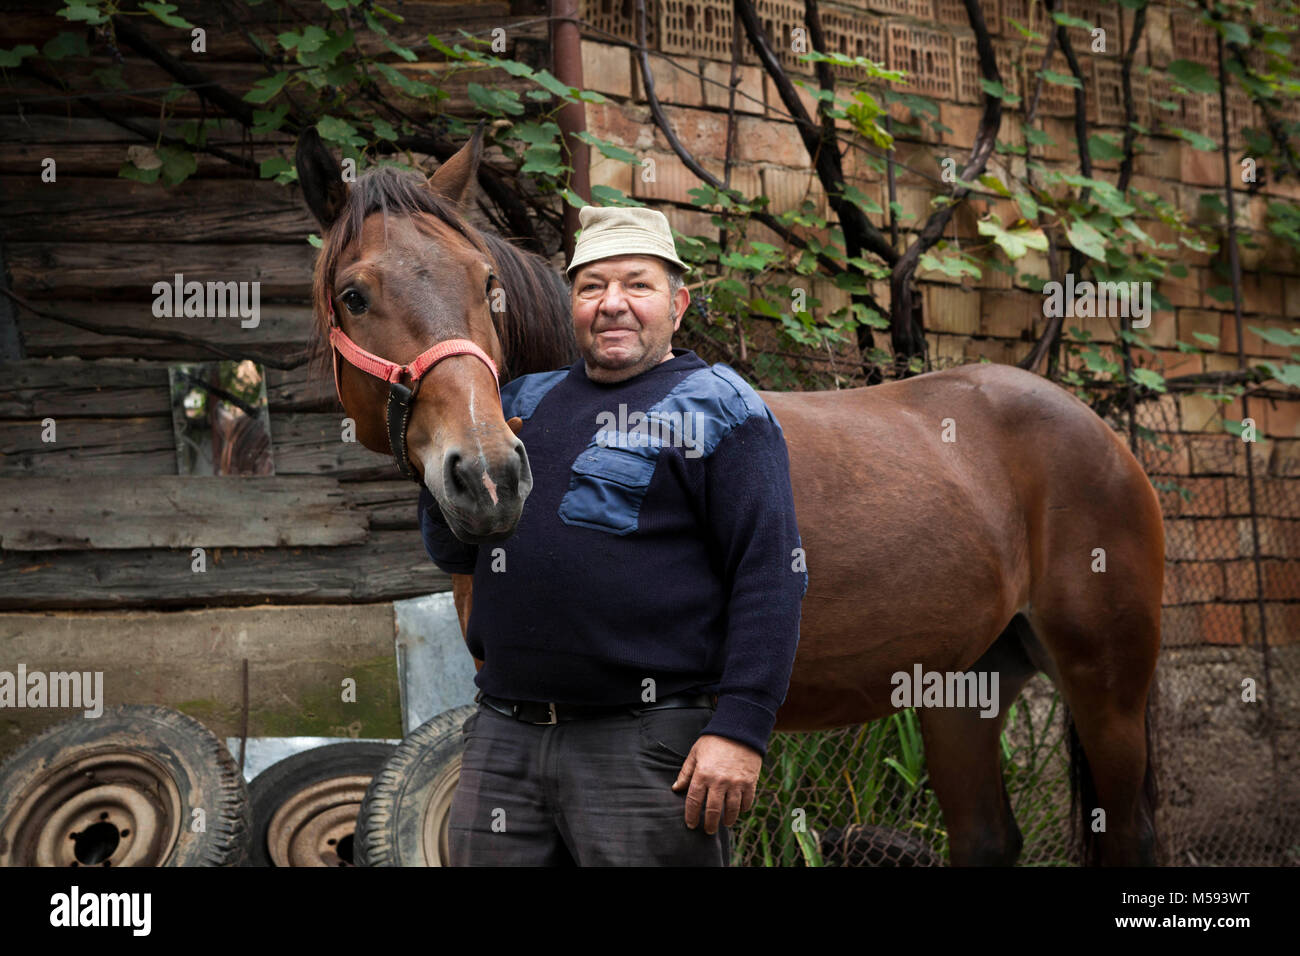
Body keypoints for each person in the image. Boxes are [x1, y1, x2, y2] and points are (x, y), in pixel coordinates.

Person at [418, 204, 806, 865]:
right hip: (503, 737)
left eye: (637, 285)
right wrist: (435, 453)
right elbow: (456, 550)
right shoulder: (525, 402)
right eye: (592, 287)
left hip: (643, 742)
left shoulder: (722, 407)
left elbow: (770, 575)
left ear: (678, 304)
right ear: (573, 303)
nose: (612, 304)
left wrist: (741, 729)